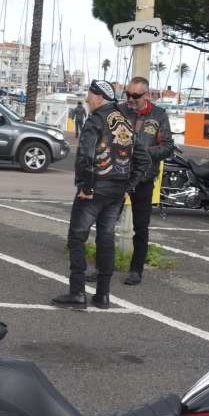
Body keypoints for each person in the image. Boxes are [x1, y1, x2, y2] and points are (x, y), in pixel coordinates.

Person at [52, 80, 149, 310]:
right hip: (116, 191)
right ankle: (103, 295)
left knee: (77, 238)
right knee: (106, 239)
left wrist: (86, 187)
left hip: (94, 190)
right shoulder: (124, 122)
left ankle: (77, 293)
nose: (87, 100)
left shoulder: (95, 120)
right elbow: (143, 160)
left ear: (99, 98)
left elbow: (84, 156)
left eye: (89, 96)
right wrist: (128, 186)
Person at [120, 76, 174, 285]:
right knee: (106, 223)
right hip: (119, 176)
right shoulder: (121, 111)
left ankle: (136, 270)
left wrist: (142, 153)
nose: (131, 99)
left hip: (143, 178)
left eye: (135, 95)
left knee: (141, 227)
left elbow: (168, 146)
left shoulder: (159, 115)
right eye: (128, 94)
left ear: (147, 95)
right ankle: (101, 267)